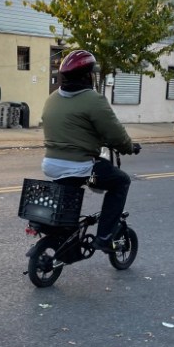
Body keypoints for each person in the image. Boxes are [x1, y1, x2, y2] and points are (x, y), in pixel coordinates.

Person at [41, 50, 140, 253]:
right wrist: (129, 147)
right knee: (121, 181)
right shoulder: (93, 99)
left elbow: (75, 129)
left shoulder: (52, 98)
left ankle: (67, 232)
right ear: (88, 75)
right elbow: (116, 134)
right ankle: (104, 237)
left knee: (71, 196)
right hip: (80, 166)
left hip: (51, 164)